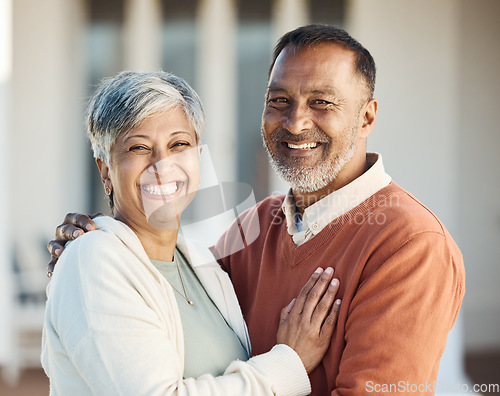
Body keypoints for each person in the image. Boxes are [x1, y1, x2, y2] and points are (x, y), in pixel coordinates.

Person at [48, 25, 465, 395]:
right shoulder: (255, 226)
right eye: (280, 100)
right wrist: (91, 253)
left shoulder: (410, 244)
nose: (296, 122)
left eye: (322, 102)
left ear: (367, 116)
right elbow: (146, 289)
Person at [42, 70, 343, 395]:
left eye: (179, 144)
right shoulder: (93, 259)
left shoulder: (204, 265)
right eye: (139, 148)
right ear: (106, 171)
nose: (163, 164)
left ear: (199, 158)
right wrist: (290, 362)